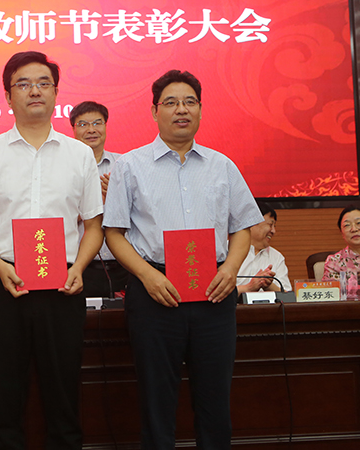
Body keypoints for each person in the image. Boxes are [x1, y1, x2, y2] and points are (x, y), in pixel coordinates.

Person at [103, 69, 262, 449]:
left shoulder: (222, 165)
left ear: (201, 110)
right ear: (154, 111)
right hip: (155, 293)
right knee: (157, 399)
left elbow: (242, 227)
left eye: (190, 102)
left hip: (214, 291)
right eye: (171, 103)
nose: (181, 110)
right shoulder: (130, 166)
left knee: (215, 398)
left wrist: (231, 269)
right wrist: (147, 276)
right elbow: (113, 232)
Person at [0, 51, 104, 449]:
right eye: (23, 84)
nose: (34, 90)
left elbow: (94, 226)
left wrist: (80, 267)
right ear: (8, 96)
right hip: (4, 283)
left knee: (64, 392)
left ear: (56, 92)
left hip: (63, 285)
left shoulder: (79, 155)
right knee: (5, 392)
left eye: (43, 83)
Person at [69, 101, 128, 297]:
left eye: (97, 123)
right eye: (83, 124)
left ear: (105, 126)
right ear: (73, 129)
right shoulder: (64, 169)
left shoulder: (124, 165)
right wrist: (93, 202)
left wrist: (117, 197)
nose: (91, 130)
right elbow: (56, 218)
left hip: (124, 265)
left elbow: (143, 215)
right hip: (79, 267)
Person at [236, 201, 291, 293]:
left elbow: (287, 296)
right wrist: (249, 287)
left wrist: (268, 284)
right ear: (252, 223)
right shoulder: (227, 251)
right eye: (270, 225)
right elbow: (216, 292)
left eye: (274, 226)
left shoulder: (277, 257)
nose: (273, 231)